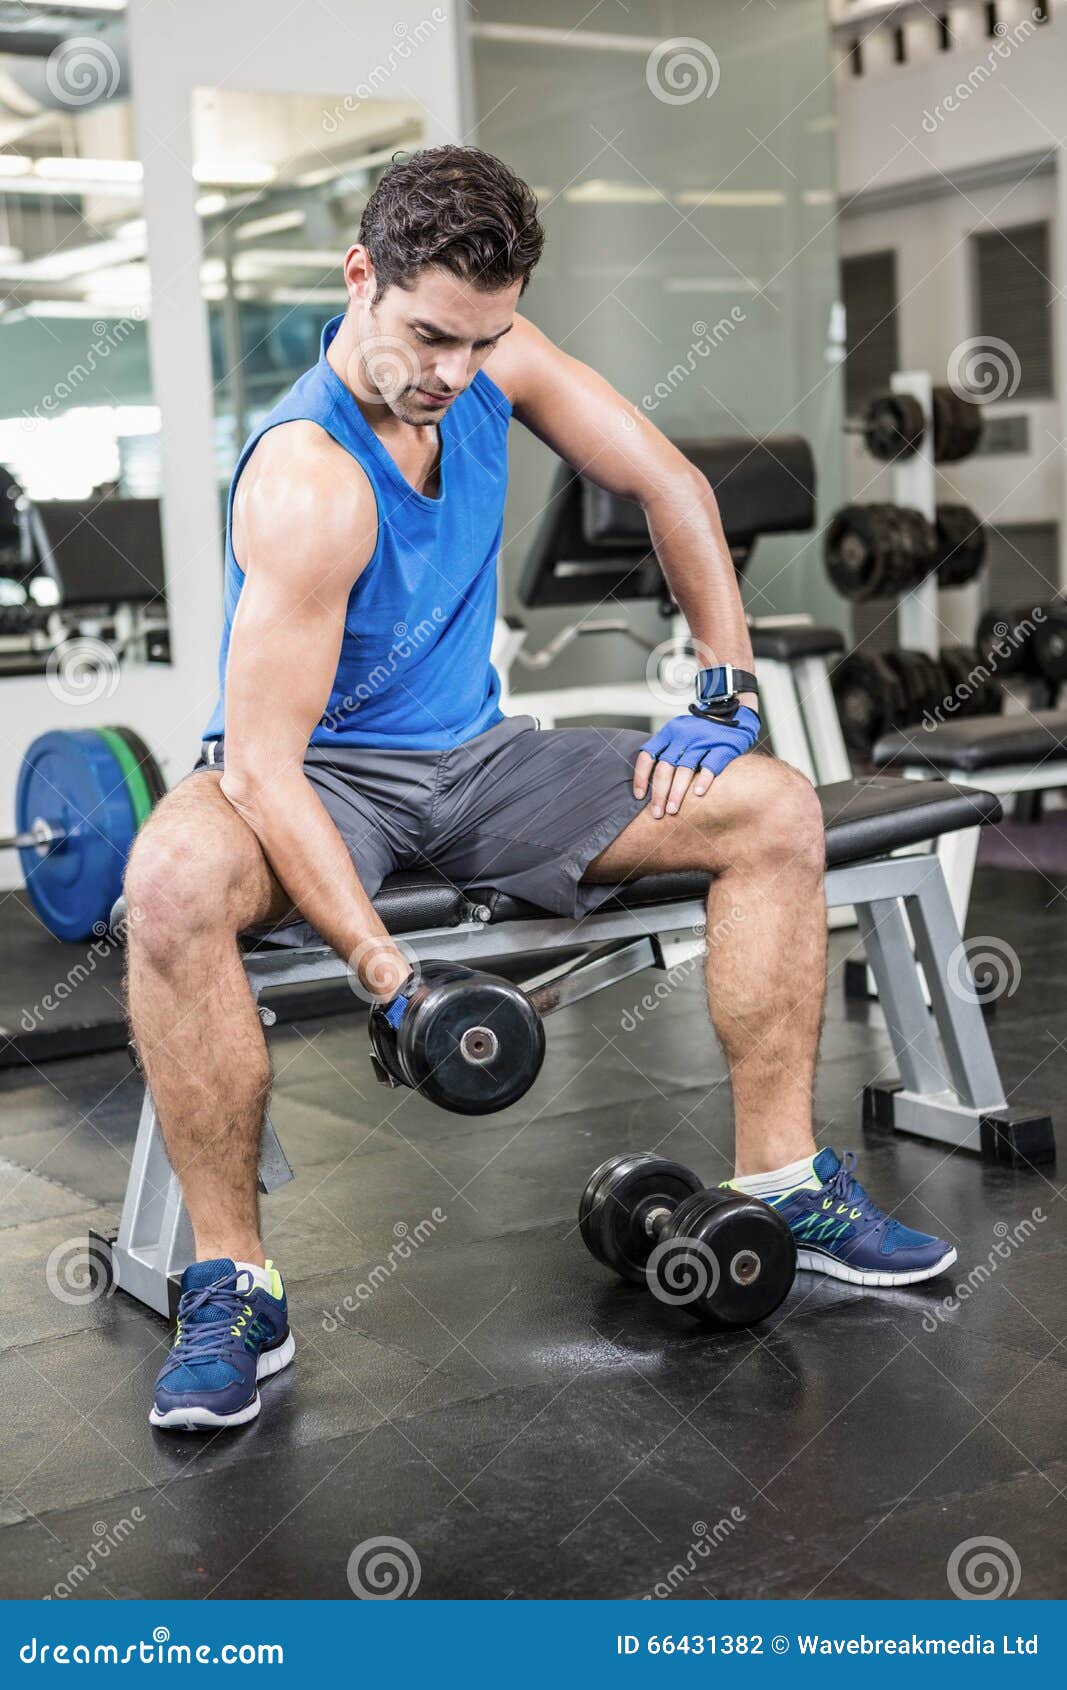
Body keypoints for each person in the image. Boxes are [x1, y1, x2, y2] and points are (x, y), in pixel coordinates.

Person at [125, 146, 955, 1432]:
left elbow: (668, 481)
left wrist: (722, 689)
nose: (453, 374)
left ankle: (785, 1178)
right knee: (172, 877)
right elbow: (264, 766)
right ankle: (233, 1281)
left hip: (476, 759)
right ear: (360, 276)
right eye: (428, 337)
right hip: (316, 777)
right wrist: (387, 975)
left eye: (482, 339)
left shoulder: (489, 359)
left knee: (773, 807)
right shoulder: (309, 480)